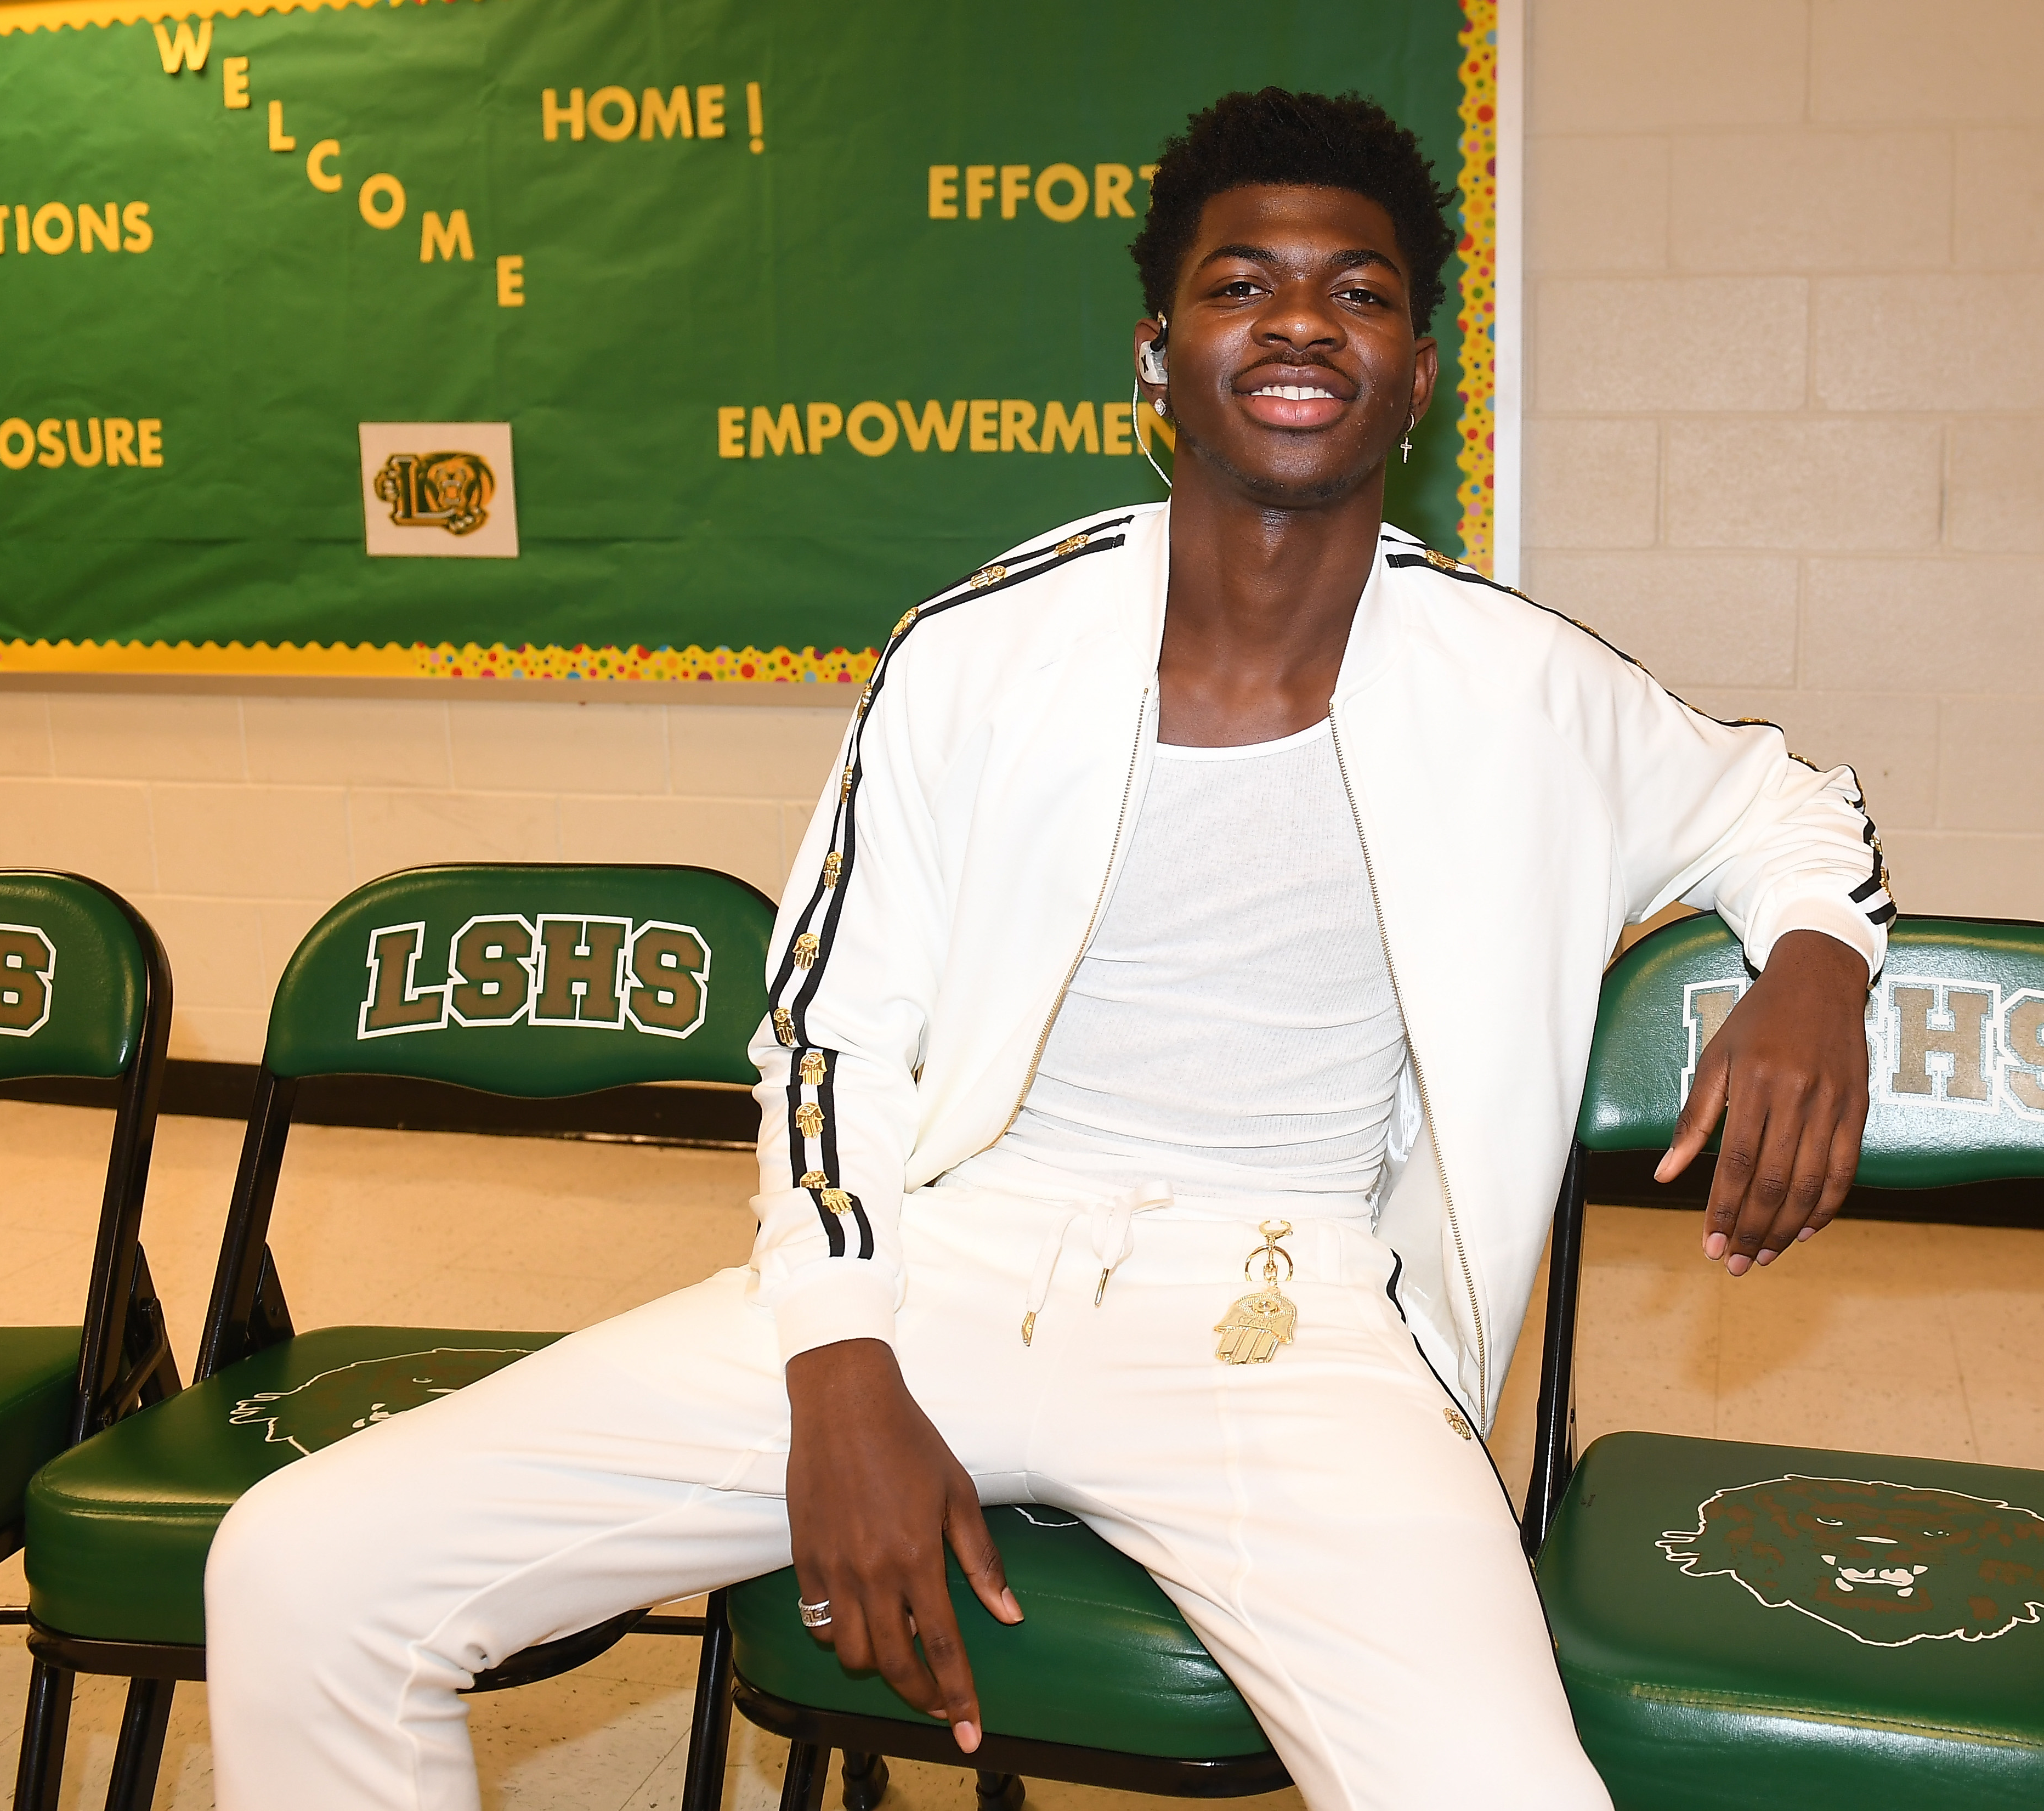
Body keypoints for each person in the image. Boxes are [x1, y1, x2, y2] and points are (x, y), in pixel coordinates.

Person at [205, 87, 1891, 1810]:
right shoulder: (981, 651)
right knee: (304, 1570)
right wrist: (839, 1362)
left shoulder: (1520, 685)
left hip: (1282, 1318)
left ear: (1417, 376)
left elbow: (1791, 804)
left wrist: (1814, 968)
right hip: (939, 1258)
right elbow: (829, 1039)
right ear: (1155, 358)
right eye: (1241, 284)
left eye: (1360, 292)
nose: (1301, 321)